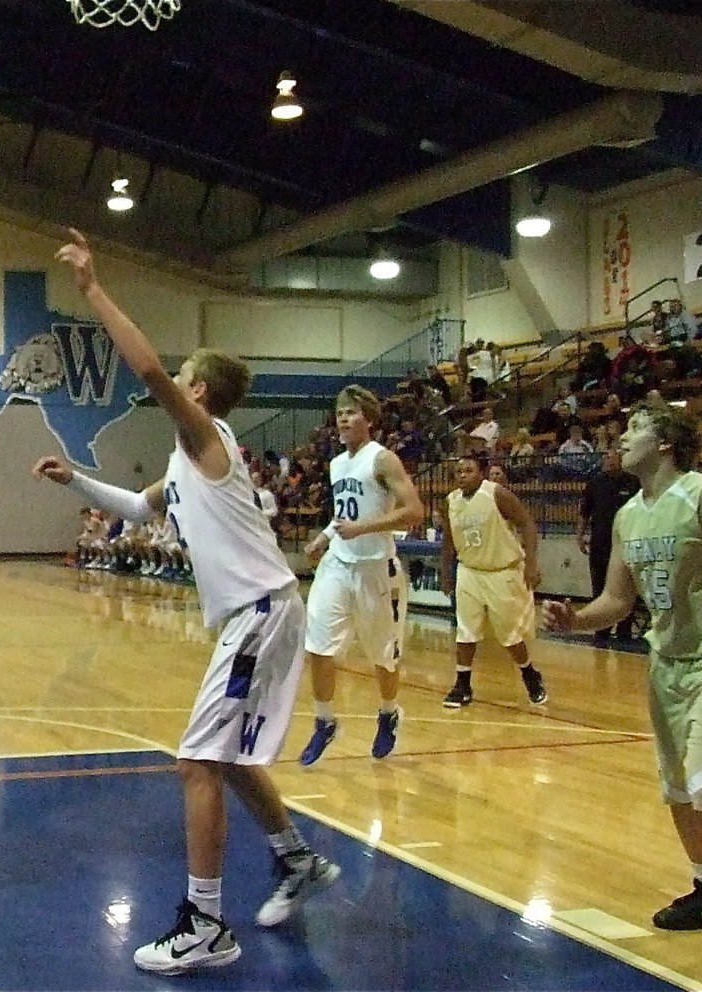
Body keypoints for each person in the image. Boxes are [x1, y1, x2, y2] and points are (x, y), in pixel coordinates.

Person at [33, 228, 338, 975]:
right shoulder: (189, 459)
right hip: (263, 613)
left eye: (181, 377)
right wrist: (73, 478)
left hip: (262, 613)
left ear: (196, 391)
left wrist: (93, 290)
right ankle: (295, 859)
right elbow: (139, 512)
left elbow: (142, 365)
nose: (171, 379)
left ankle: (205, 924)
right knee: (225, 757)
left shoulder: (205, 435)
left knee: (196, 760)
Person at [543, 399, 702, 963]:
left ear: (665, 442)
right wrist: (575, 620)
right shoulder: (629, 513)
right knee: (680, 789)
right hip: (669, 664)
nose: (622, 435)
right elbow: (616, 601)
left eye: (635, 427)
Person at [296, 385, 423, 766]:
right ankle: (324, 721)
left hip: (376, 569)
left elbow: (414, 511)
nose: (343, 418)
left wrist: (363, 528)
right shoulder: (337, 464)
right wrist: (323, 537)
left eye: (351, 412)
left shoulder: (381, 459)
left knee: (384, 657)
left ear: (369, 418)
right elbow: (343, 516)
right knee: (317, 645)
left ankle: (388, 712)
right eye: (339, 413)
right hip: (338, 563)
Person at [437, 452, 547, 708]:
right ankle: (462, 685)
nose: (463, 475)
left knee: (509, 636)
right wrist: (446, 571)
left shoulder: (496, 494)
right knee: (465, 630)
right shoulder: (450, 501)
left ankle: (530, 674)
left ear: (481, 473)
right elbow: (448, 541)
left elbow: (527, 523)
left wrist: (531, 561)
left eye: (469, 470)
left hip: (502, 571)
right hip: (469, 571)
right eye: (459, 471)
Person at [576, 447, 640, 645]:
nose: (610, 461)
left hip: (626, 543)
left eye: (614, 458)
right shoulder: (595, 483)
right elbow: (584, 512)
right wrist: (579, 535)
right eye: (607, 457)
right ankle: (601, 632)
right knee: (599, 587)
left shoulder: (633, 482)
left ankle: (624, 633)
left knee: (626, 587)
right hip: (600, 543)